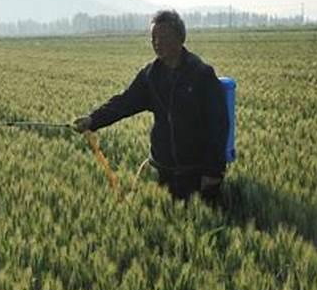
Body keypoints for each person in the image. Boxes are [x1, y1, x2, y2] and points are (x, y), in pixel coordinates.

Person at [73, 10, 228, 203]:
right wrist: (93, 119)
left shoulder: (201, 74)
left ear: (181, 38)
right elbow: (124, 103)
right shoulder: (150, 76)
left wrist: (213, 171)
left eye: (163, 37)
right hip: (163, 171)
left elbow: (219, 125)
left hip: (196, 172)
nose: (157, 43)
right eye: (153, 38)